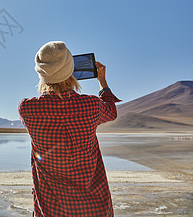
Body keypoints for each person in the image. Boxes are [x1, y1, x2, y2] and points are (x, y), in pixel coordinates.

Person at [18, 41, 121, 217]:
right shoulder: (91, 105)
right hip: (95, 208)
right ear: (71, 69)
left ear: (41, 72)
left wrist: (53, 78)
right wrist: (102, 82)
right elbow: (111, 112)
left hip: (51, 209)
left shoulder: (27, 109)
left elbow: (47, 99)